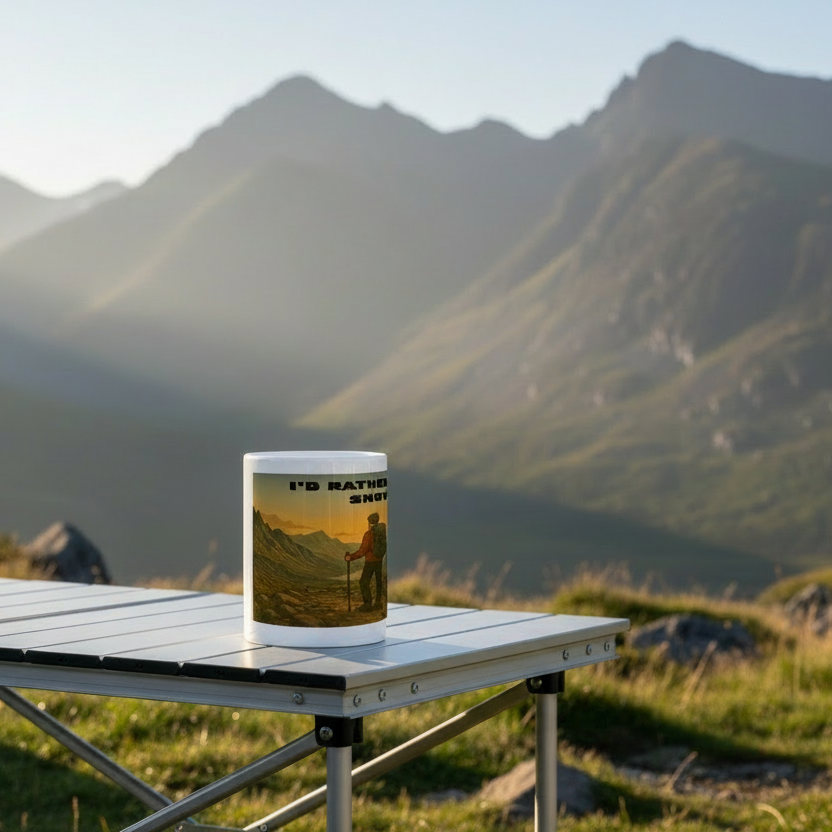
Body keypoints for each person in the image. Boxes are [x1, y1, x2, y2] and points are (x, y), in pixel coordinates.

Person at [345, 512, 386, 611]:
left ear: (369, 522)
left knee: (363, 582)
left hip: (370, 561)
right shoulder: (382, 533)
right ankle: (378, 603)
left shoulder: (369, 534)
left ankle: (367, 604)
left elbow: (362, 551)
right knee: (378, 582)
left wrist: (350, 557)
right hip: (379, 560)